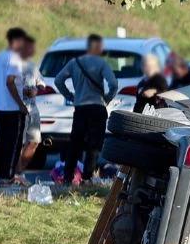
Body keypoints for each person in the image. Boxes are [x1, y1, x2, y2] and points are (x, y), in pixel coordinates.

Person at [54, 34, 117, 183]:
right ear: (98, 47)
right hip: (97, 107)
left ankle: (68, 177)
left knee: (75, 144)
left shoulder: (74, 62)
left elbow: (58, 80)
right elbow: (113, 84)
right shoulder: (101, 63)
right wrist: (107, 98)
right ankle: (87, 178)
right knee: (93, 145)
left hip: (80, 108)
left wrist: (70, 96)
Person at [0, 28, 31, 186]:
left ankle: (2, 175)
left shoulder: (0, 56)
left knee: (1, 142)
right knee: (14, 144)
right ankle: (8, 177)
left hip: (0, 106)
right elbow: (10, 81)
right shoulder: (15, 58)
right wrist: (21, 104)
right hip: (12, 108)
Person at [17, 34, 53, 175]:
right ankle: (15, 174)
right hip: (18, 109)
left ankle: (20, 171)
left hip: (33, 109)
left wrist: (38, 89)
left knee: (34, 141)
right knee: (17, 144)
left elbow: (41, 82)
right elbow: (8, 86)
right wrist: (25, 91)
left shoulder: (32, 65)